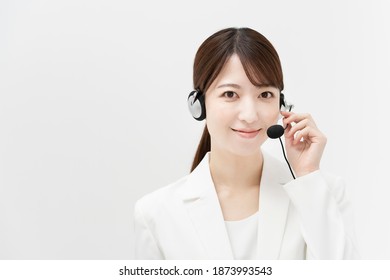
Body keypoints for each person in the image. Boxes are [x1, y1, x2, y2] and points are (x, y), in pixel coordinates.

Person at [134, 27, 359, 259]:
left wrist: (308, 175)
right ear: (199, 104)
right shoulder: (156, 213)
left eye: (265, 95)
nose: (250, 115)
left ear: (281, 104)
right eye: (230, 94)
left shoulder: (322, 193)